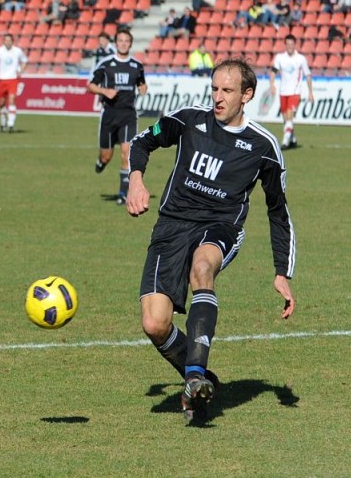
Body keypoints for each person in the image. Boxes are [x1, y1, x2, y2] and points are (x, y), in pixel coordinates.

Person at [125, 57, 296, 424]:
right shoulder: (188, 119)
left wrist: (283, 272)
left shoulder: (263, 146)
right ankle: (202, 380)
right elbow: (142, 141)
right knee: (155, 325)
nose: (218, 97)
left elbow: (278, 212)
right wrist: (136, 180)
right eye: (215, 89)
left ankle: (195, 376)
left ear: (247, 95)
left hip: (219, 228)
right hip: (171, 226)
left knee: (202, 269)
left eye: (228, 91)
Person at [87, 28, 147, 205]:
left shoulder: (137, 66)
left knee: (126, 153)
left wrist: (143, 89)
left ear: (130, 43)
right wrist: (105, 91)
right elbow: (91, 85)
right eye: (120, 40)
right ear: (116, 43)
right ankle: (101, 162)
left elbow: (142, 84)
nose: (123, 43)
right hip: (109, 115)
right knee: (107, 155)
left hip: (128, 115)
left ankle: (122, 193)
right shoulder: (106, 64)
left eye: (126, 41)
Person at [269, 34, 314, 150]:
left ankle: (284, 143)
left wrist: (310, 93)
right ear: (285, 45)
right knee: (285, 120)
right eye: (287, 44)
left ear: (295, 45)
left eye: (291, 44)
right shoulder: (280, 57)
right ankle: (293, 140)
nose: (289, 46)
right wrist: (272, 85)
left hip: (295, 92)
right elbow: (273, 71)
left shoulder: (301, 59)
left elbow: (308, 76)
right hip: (283, 92)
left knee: (289, 117)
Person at [0, 33, 28, 133]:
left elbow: (24, 61)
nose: (8, 42)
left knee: (12, 99)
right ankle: (3, 123)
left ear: (12, 41)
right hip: (2, 79)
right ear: (3, 41)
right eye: (6, 40)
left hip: (13, 79)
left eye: (9, 40)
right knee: (2, 103)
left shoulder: (17, 51)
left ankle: (11, 125)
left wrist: (20, 72)